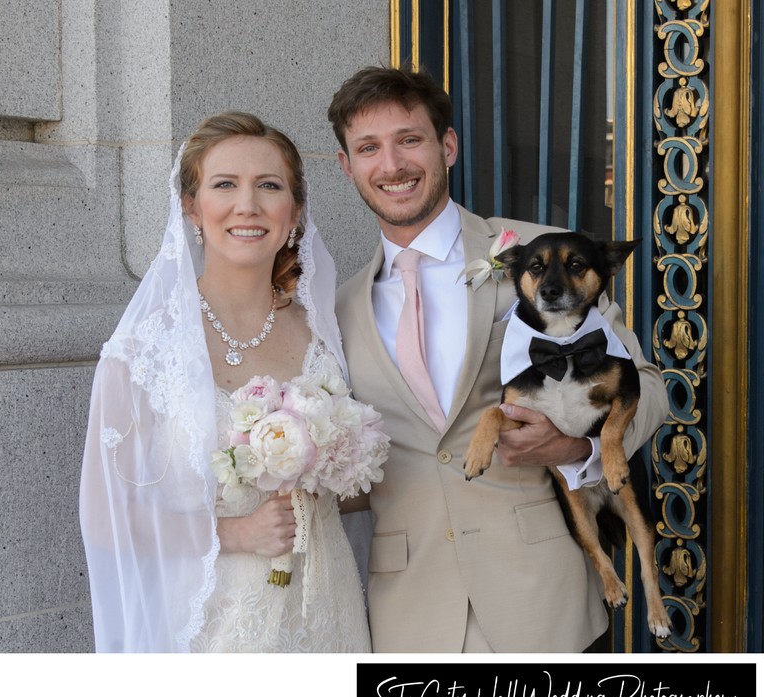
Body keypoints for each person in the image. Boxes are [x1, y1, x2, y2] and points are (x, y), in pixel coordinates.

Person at [328, 65, 669, 652]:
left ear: (448, 146)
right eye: (368, 148)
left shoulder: (543, 254)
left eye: (410, 139)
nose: (392, 165)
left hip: (544, 601)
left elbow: (648, 386)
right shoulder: (337, 308)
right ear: (347, 166)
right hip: (408, 617)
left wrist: (577, 448)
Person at [79, 112, 372, 652]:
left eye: (269, 186)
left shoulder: (327, 331)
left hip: (328, 610)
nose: (248, 205)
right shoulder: (143, 353)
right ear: (191, 208)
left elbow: (358, 494)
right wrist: (233, 533)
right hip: (215, 627)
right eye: (224, 185)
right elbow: (105, 522)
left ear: (295, 212)